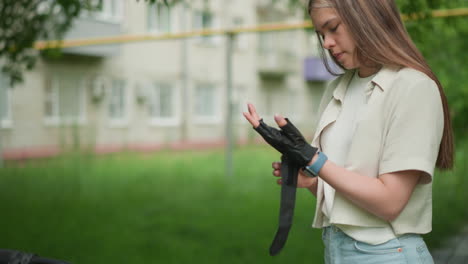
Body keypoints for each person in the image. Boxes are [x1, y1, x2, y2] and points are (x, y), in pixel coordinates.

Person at [243, 0, 454, 263]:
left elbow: (390, 202)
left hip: (388, 253)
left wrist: (315, 160)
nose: (327, 43)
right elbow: (348, 192)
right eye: (321, 35)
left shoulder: (413, 88)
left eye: (332, 28)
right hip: (335, 248)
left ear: (367, 17)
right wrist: (312, 181)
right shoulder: (337, 89)